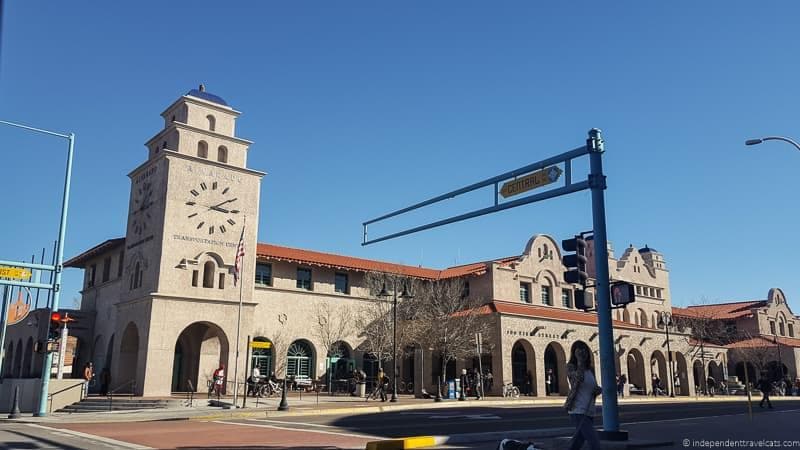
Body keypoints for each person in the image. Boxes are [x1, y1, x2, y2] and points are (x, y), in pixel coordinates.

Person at [564, 342, 602, 450]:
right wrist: (580, 361)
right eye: (579, 350)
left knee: (577, 442)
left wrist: (598, 390)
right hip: (578, 410)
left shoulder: (590, 370)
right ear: (574, 352)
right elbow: (577, 379)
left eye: (584, 350)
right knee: (594, 442)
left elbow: (592, 386)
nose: (582, 352)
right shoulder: (571, 367)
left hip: (589, 411)